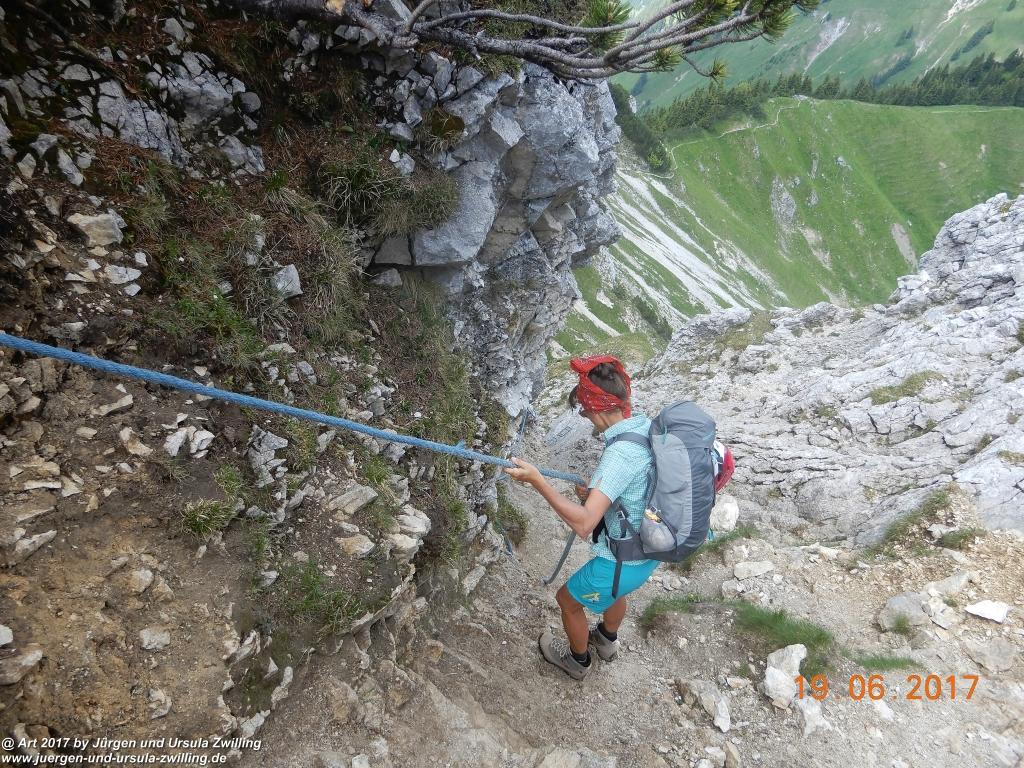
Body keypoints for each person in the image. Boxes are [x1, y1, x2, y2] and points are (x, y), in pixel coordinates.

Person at [504, 354, 659, 680]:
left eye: (585, 411)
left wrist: (538, 482)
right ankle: (606, 640)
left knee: (567, 600)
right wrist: (600, 494)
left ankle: (577, 662)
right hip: (649, 549)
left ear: (597, 409)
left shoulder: (620, 454)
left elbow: (585, 524)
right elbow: (636, 486)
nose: (586, 417)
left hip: (621, 562)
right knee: (616, 592)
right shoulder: (644, 428)